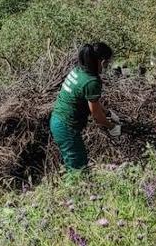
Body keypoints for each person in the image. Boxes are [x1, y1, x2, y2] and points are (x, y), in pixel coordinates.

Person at [49, 42, 122, 172]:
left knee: (77, 161)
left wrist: (108, 113)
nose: (107, 65)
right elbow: (97, 116)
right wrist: (112, 127)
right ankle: (74, 184)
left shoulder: (79, 70)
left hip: (58, 120)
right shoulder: (92, 81)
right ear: (102, 61)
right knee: (78, 167)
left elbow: (92, 102)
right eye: (107, 62)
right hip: (66, 126)